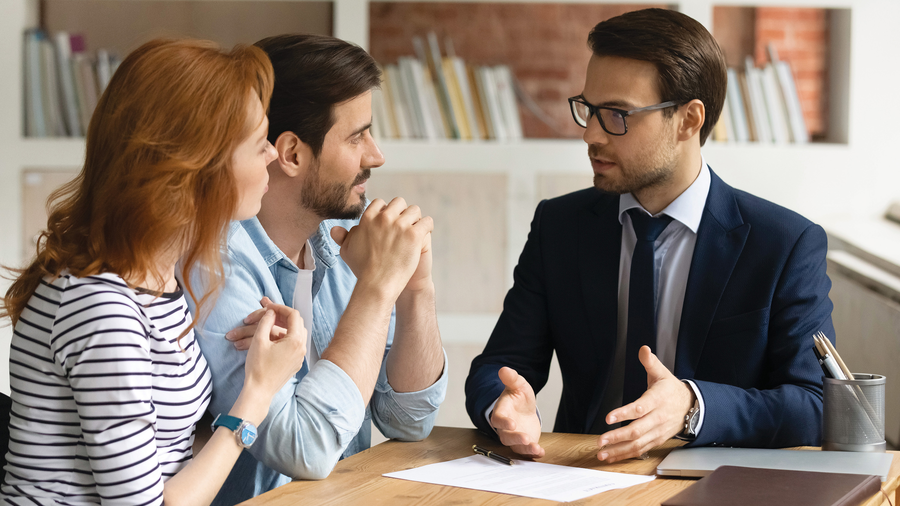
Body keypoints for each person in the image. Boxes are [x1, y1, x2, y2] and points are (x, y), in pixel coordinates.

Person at [465, 8, 834, 462]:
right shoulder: (559, 225)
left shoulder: (784, 244)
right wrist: (502, 407)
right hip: (579, 472)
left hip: (714, 480)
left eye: (617, 114)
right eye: (589, 110)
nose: (591, 135)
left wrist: (693, 407)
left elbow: (815, 404)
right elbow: (500, 365)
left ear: (688, 120)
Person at [0, 39, 308, 505]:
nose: (271, 154)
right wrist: (259, 391)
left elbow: (168, 453)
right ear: (194, 171)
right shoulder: (101, 307)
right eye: (257, 142)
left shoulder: (158, 280)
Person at [188, 33, 447, 504]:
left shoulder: (339, 241)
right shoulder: (214, 264)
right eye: (357, 136)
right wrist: (377, 288)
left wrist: (415, 289)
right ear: (291, 154)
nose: (376, 156)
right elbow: (303, 449)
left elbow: (409, 420)